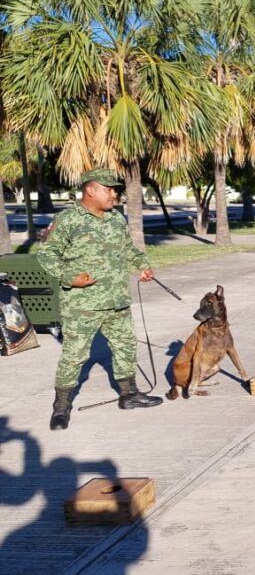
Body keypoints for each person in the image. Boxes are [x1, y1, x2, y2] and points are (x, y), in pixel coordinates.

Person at [36, 168, 163, 431]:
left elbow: (128, 247)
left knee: (125, 347)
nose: (114, 194)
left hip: (117, 300)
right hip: (83, 304)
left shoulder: (115, 218)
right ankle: (61, 407)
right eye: (109, 189)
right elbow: (46, 255)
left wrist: (142, 264)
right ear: (90, 190)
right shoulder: (69, 219)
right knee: (74, 355)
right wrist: (69, 277)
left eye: (115, 189)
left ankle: (129, 395)